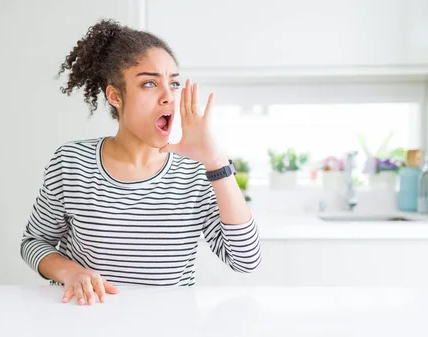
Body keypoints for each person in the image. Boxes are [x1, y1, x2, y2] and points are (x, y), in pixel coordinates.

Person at [20, 19, 262, 306]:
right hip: (86, 321)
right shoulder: (72, 163)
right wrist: (71, 272)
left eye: (173, 83)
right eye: (149, 83)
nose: (168, 96)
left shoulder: (197, 170)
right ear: (115, 95)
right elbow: (34, 242)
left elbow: (245, 260)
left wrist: (215, 160)